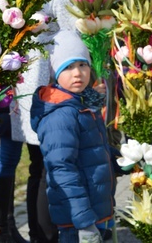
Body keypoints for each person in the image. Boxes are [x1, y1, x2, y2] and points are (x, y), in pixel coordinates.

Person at [0, 0, 76, 243]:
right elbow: (72, 33)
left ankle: (5, 229)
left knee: (31, 163)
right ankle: (38, 234)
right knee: (43, 164)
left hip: (19, 78)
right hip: (43, 83)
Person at [30, 30, 117, 243]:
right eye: (68, 67)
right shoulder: (61, 116)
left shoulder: (84, 103)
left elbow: (93, 151)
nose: (77, 73)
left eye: (82, 65)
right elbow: (62, 170)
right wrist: (85, 222)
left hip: (98, 210)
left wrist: (122, 160)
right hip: (79, 222)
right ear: (55, 72)